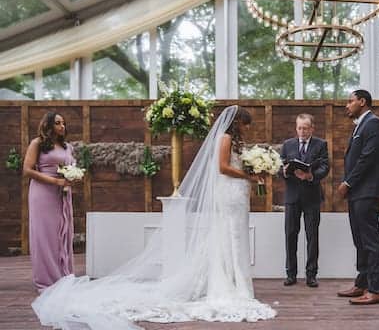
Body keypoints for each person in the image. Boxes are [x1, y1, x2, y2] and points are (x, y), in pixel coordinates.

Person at [32, 105, 277, 329]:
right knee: (229, 237)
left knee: (234, 237)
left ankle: (238, 283)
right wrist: (248, 175)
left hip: (237, 194)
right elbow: (222, 167)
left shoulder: (235, 141)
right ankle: (231, 285)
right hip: (229, 192)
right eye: (245, 124)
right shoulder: (224, 138)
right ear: (237, 123)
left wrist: (253, 170)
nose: (247, 128)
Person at [336, 90, 379, 305]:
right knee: (360, 240)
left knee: (370, 241)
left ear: (362, 102)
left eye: (350, 101)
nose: (347, 105)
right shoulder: (362, 124)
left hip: (367, 190)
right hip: (358, 192)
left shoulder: (374, 124)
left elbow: (367, 158)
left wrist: (348, 182)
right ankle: (362, 283)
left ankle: (377, 290)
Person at [23, 112, 75, 292]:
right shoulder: (37, 143)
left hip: (63, 192)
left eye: (64, 123)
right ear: (48, 125)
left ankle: (63, 275)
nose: (62, 126)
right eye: (58, 123)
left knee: (63, 232)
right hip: (43, 193)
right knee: (44, 234)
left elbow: (70, 167)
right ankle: (47, 279)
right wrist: (55, 181)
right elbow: (27, 170)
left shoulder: (67, 146)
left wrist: (73, 176)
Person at [280, 113, 329, 288]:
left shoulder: (321, 144)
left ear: (312, 128)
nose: (302, 131)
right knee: (290, 235)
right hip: (292, 197)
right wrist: (285, 170)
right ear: (296, 128)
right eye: (299, 128)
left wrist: (310, 176)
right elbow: (279, 167)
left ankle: (311, 275)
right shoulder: (287, 145)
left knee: (312, 237)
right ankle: (291, 274)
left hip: (312, 196)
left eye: (305, 128)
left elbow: (325, 167)